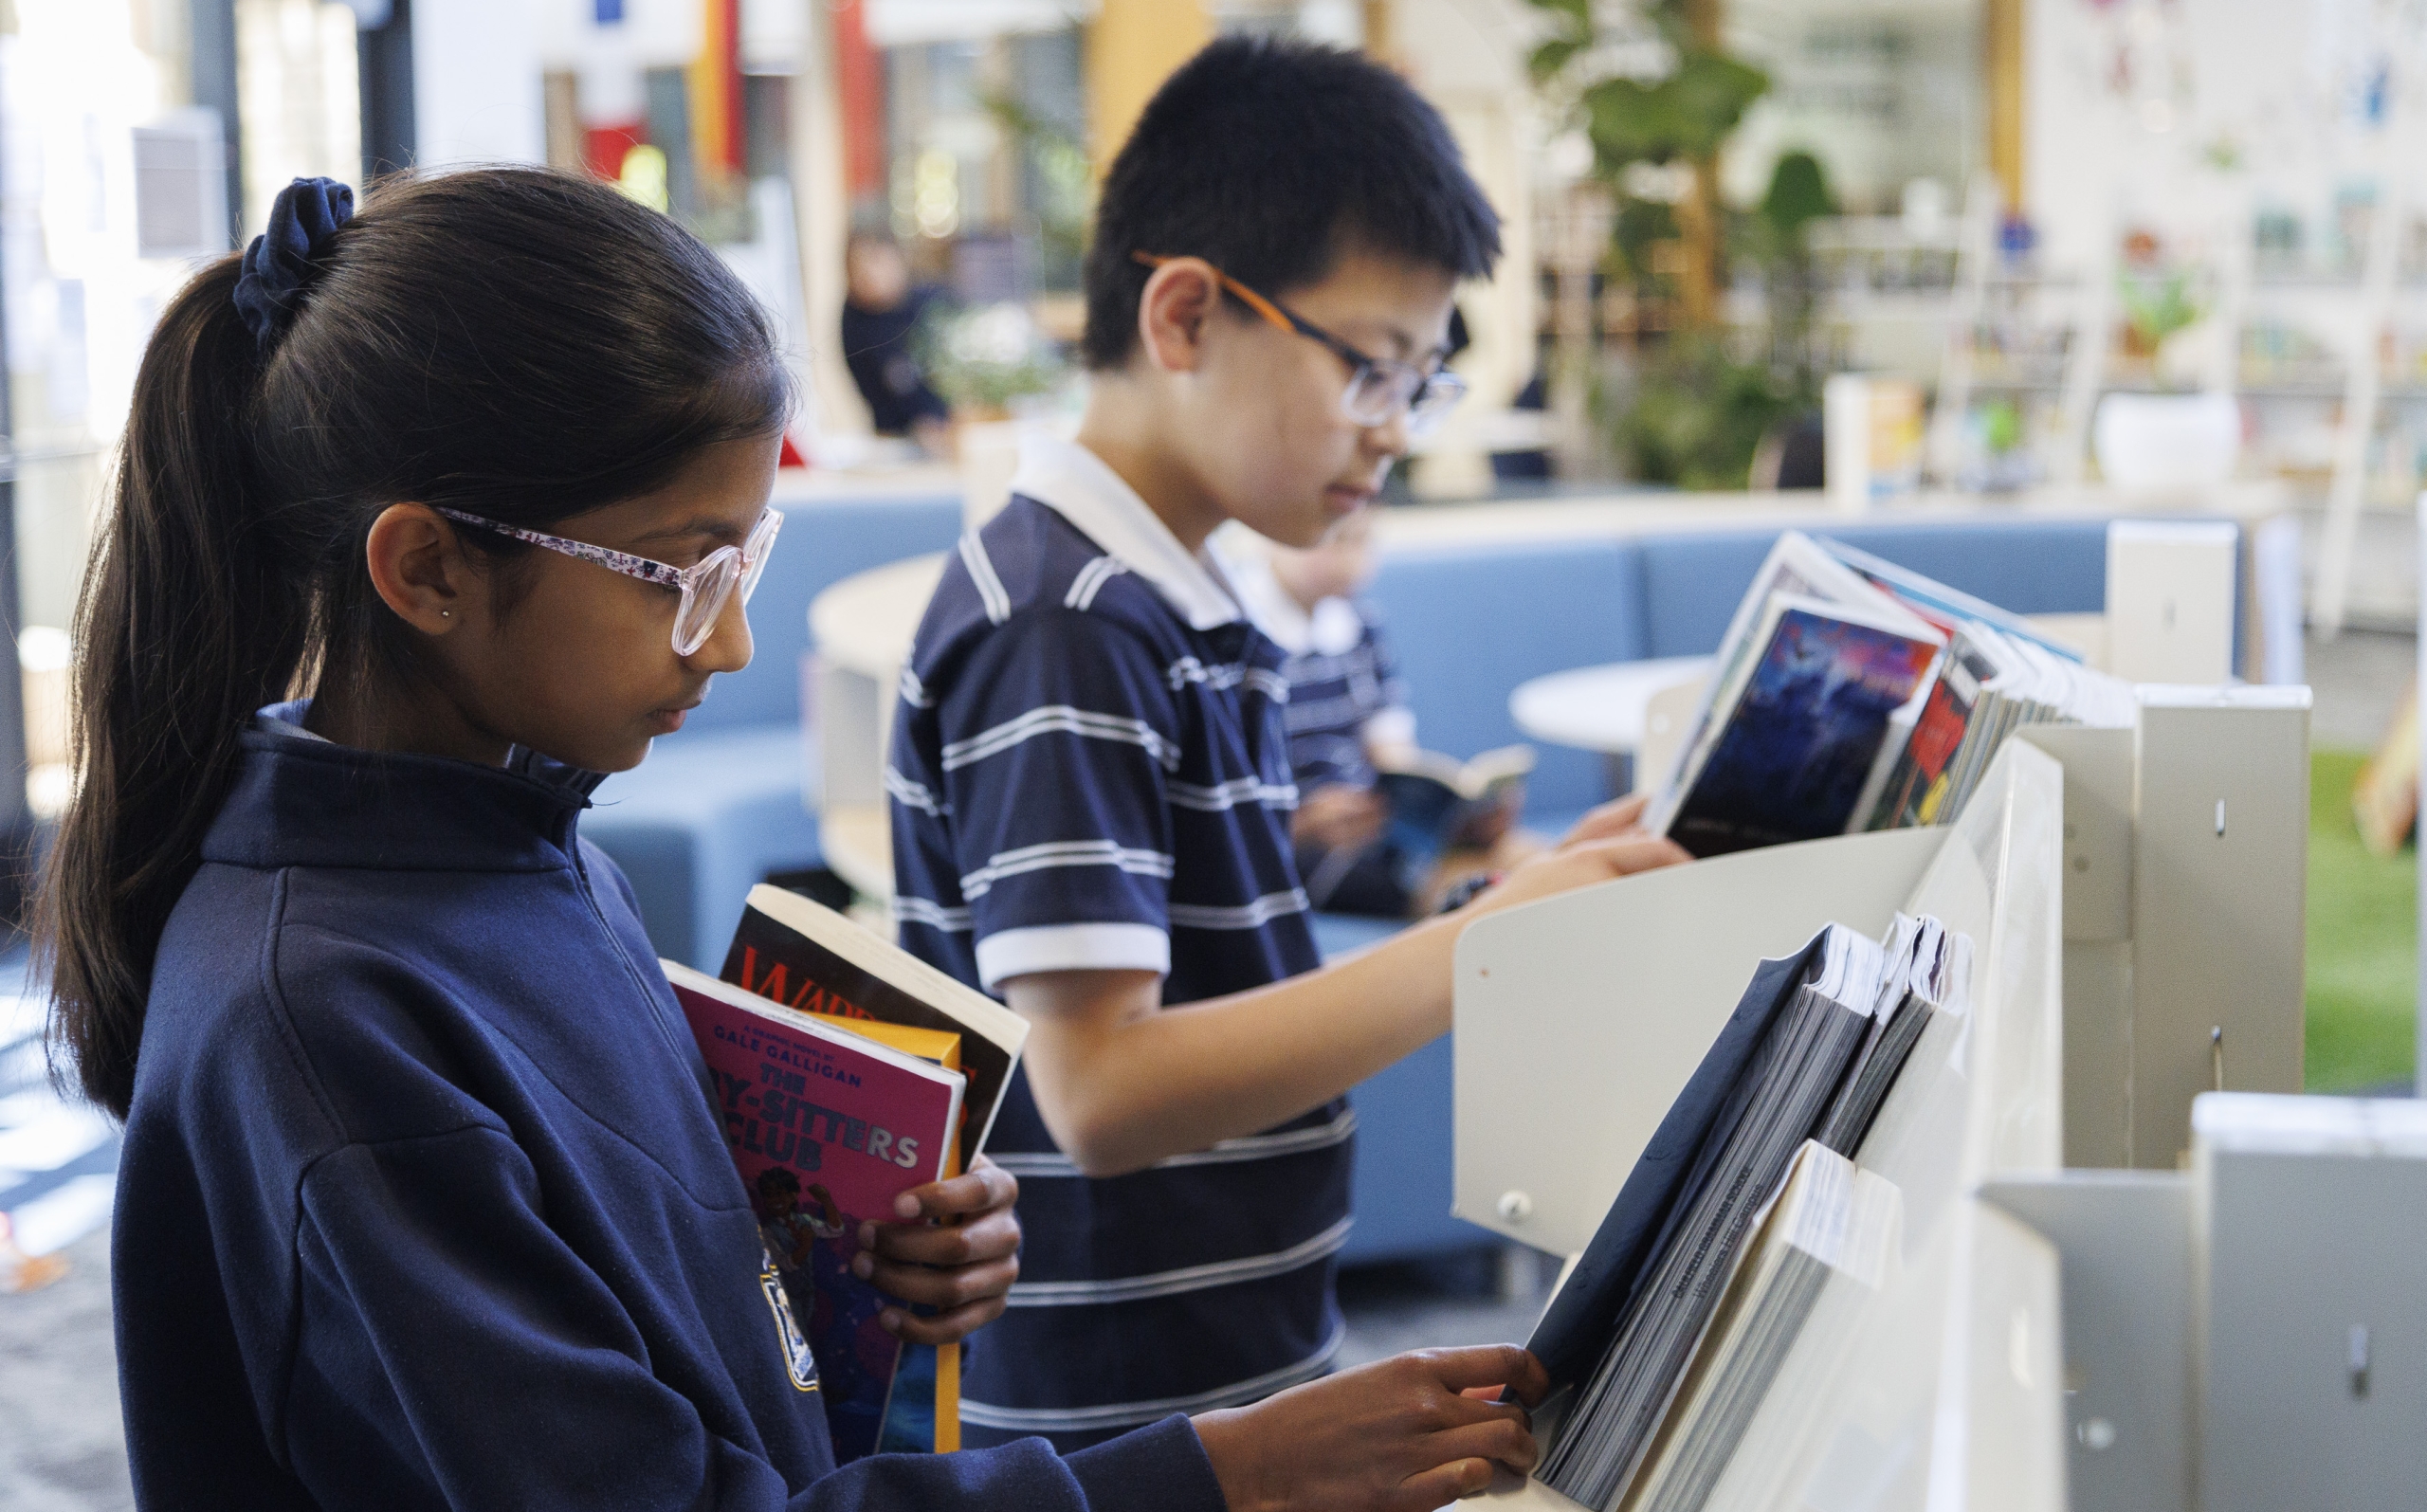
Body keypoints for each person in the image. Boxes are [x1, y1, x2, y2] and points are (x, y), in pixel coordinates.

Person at [43, 168, 1551, 1512]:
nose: (736, 641)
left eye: (746, 557)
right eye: (684, 573)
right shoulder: (324, 1023)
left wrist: (847, 1271)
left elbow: (656, 1312)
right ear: (428, 567)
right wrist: (1223, 1474)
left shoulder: (532, 844)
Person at [887, 37, 1690, 1454]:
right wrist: (1482, 939)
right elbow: (1102, 1091)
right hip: (1108, 1424)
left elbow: (1219, 976)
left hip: (1217, 1381)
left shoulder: (1174, 602)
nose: (1392, 436)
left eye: (1421, 385)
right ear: (1186, 315)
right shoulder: (1068, 624)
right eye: (1372, 371)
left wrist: (1499, 893)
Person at [1226, 513, 1534, 919]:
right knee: (1478, 886)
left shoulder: (1360, 625)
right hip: (1299, 847)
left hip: (1370, 825)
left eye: (1361, 541)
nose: (1347, 561)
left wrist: (1455, 814)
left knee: (1521, 852)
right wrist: (1301, 823)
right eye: (1331, 540)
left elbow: (1392, 755)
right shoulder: (1239, 636)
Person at [839, 228, 952, 460]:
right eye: (856, 267)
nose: (868, 274)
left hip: (950, 432)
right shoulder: (854, 319)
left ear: (898, 259)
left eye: (876, 261)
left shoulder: (933, 305)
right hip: (894, 440)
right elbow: (869, 384)